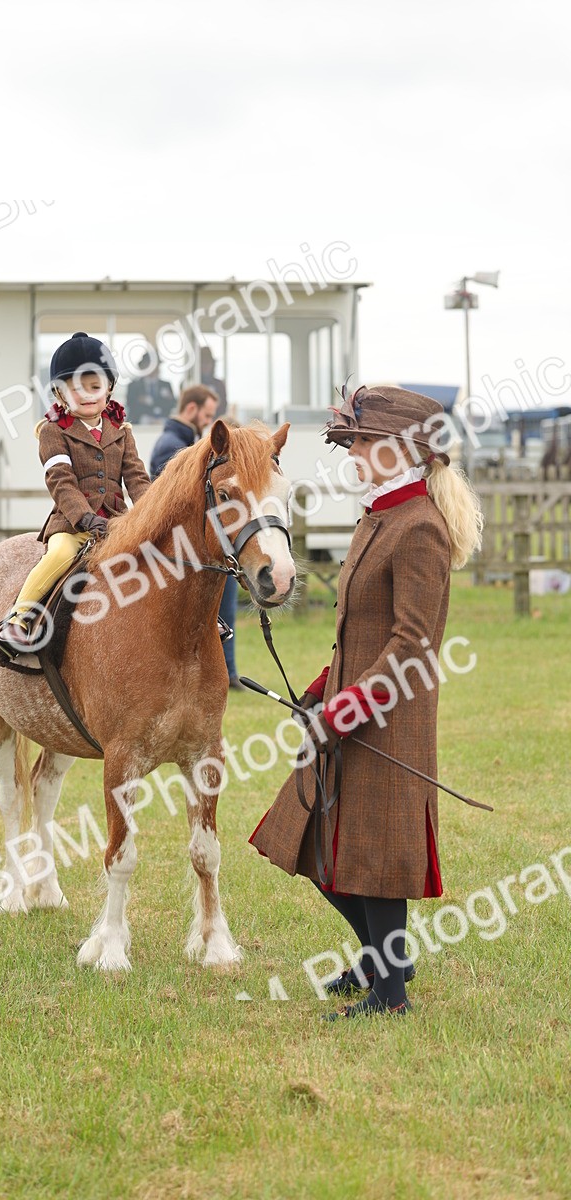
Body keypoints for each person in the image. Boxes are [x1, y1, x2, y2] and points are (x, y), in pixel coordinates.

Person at [249, 385, 483, 1019]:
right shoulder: (380, 515)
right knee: (318, 843)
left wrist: (342, 712)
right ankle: (386, 960)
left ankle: (390, 992)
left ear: (401, 449)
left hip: (389, 719)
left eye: (364, 443)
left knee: (373, 854)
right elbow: (362, 630)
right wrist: (323, 690)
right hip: (354, 707)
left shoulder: (419, 530)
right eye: (353, 442)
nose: (353, 454)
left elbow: (410, 647)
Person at [0, 332, 151, 658]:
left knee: (160, 552)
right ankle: (18, 620)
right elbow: (60, 481)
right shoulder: (52, 431)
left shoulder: (122, 431)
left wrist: (151, 511)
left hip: (117, 522)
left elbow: (136, 477)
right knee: (60, 554)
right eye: (77, 388)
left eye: (95, 387)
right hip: (74, 523)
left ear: (109, 388)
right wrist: (85, 517)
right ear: (60, 392)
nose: (87, 395)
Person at [149, 387, 245, 690]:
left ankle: (226, 670)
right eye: (206, 414)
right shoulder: (172, 446)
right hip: (187, 546)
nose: (207, 421)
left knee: (222, 610)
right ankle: (223, 671)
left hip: (200, 542)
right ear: (191, 409)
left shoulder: (181, 441)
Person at [126, 353, 176, 423]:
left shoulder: (166, 385)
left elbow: (171, 404)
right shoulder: (134, 386)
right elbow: (132, 405)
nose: (154, 368)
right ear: (143, 366)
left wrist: (151, 403)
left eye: (156, 365)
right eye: (150, 365)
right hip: (139, 425)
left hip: (162, 422)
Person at [200, 346, 227, 417]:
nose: (205, 366)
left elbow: (223, 406)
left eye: (208, 362)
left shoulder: (219, 384)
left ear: (212, 364)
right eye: (203, 362)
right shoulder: (192, 383)